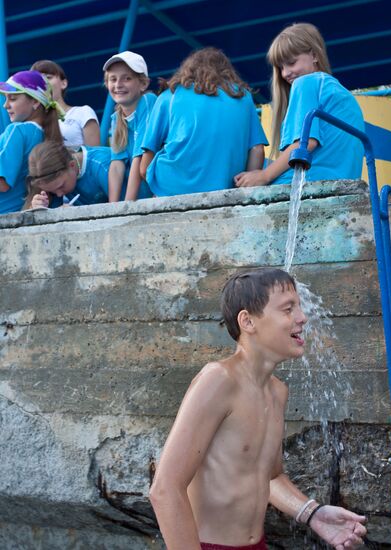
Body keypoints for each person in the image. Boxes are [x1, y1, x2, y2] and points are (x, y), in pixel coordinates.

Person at [150, 267, 367, 549]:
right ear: (248, 321)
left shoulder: (277, 391)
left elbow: (270, 476)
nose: (302, 318)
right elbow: (165, 489)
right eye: (288, 309)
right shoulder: (218, 380)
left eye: (299, 307)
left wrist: (313, 513)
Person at [234, 23, 364, 187]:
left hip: (310, 181)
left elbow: (305, 143)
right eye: (281, 67)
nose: (285, 73)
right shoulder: (340, 92)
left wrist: (264, 175)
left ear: (314, 55)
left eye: (291, 62)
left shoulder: (307, 82)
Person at [139, 47, 267, 197]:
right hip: (225, 186)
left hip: (173, 186)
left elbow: (144, 167)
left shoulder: (170, 96)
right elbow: (257, 149)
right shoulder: (243, 96)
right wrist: (245, 189)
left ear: (186, 70)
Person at [0, 70, 63, 215]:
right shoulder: (49, 137)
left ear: (35, 102)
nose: (5, 105)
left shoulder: (17, 130)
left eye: (13, 99)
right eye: (6, 99)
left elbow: (3, 184)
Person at [103, 50, 156, 202]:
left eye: (127, 78)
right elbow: (116, 165)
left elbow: (140, 156)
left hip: (161, 187)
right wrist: (113, 208)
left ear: (143, 83)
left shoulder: (148, 101)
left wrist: (127, 205)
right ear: (107, 84)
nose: (118, 85)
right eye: (113, 79)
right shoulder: (116, 118)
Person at [31, 59, 101, 148]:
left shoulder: (83, 112)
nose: (43, 82)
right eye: (37, 80)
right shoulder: (31, 123)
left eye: (48, 77)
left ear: (64, 83)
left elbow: (95, 155)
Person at [25, 140, 111, 209]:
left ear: (72, 165)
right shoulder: (58, 181)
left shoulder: (102, 166)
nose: (59, 194)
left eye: (61, 186)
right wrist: (39, 209)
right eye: (52, 192)